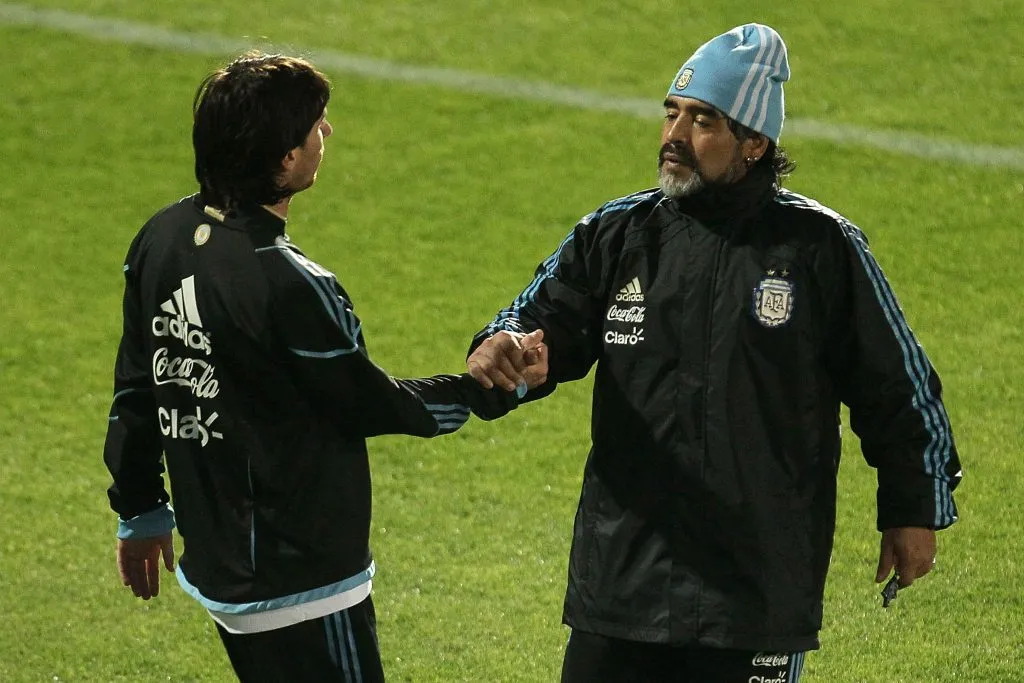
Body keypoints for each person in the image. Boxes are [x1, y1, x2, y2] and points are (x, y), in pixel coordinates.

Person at [467, 23, 962, 682]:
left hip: (752, 593)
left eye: (703, 120)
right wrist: (505, 350)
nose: (674, 135)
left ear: (754, 143)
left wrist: (913, 507)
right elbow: (536, 320)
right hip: (622, 583)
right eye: (672, 113)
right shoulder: (616, 235)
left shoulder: (821, 249)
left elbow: (898, 387)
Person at [102, 52, 545, 683]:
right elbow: (370, 403)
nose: (326, 133)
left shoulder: (162, 237)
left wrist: (140, 508)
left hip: (223, 563)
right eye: (315, 124)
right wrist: (491, 390)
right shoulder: (289, 281)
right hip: (301, 575)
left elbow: (139, 383)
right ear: (285, 157)